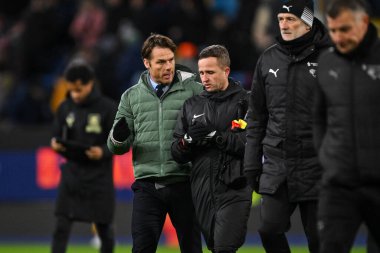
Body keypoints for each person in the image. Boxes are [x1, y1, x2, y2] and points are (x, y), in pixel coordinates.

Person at [244, 0, 331, 252]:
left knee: (320, 240)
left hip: (318, 164)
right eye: (281, 19)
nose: (284, 25)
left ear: (307, 22)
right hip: (278, 163)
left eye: (290, 19)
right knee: (268, 229)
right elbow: (257, 116)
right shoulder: (268, 57)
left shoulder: (330, 57)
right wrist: (251, 163)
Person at [107, 33, 203, 253]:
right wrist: (118, 137)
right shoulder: (130, 97)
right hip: (147, 186)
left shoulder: (194, 89)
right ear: (146, 63)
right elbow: (114, 146)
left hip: (185, 182)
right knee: (141, 249)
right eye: (161, 62)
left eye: (171, 59)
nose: (168, 66)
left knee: (192, 249)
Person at [313, 0, 380, 252]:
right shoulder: (327, 62)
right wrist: (326, 156)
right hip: (339, 183)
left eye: (344, 29)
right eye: (332, 30)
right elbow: (318, 117)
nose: (338, 37)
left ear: (363, 22)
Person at [171, 45, 252, 253]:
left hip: (234, 188)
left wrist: (216, 137)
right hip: (201, 189)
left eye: (210, 72)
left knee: (224, 248)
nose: (204, 78)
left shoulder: (245, 102)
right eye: (201, 73)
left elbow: (251, 143)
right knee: (215, 246)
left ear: (226, 71)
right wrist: (188, 140)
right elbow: (177, 152)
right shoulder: (191, 106)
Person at [50, 58, 117, 253]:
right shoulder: (65, 107)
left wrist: (103, 151)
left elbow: (119, 142)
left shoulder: (108, 108)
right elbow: (56, 134)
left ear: (90, 84)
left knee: (105, 230)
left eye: (78, 89)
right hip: (72, 175)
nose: (74, 95)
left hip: (99, 176)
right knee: (61, 227)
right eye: (71, 90)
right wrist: (55, 144)